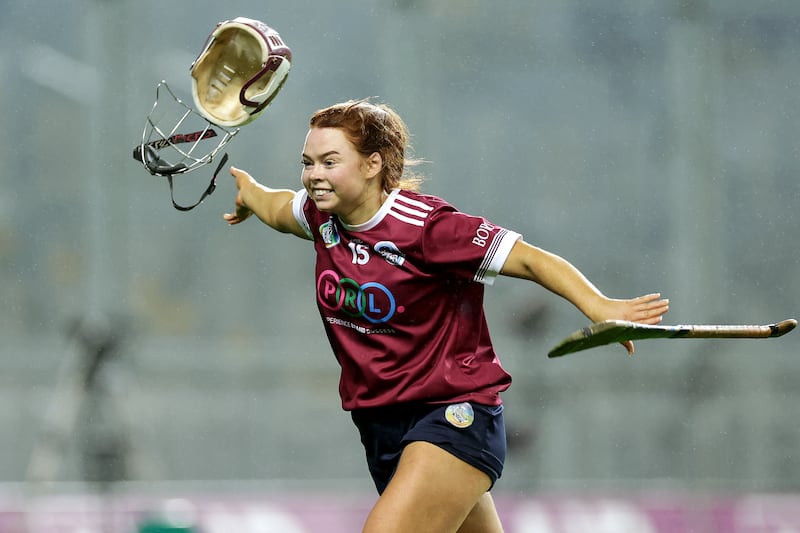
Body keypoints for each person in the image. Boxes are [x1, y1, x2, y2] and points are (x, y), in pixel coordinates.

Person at [223, 100, 669, 533]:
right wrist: (251, 196)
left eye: (329, 161)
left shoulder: (428, 228)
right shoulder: (322, 216)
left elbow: (531, 260)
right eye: (308, 162)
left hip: (453, 415)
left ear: (373, 164)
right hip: (381, 427)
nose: (315, 176)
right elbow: (279, 208)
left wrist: (600, 306)